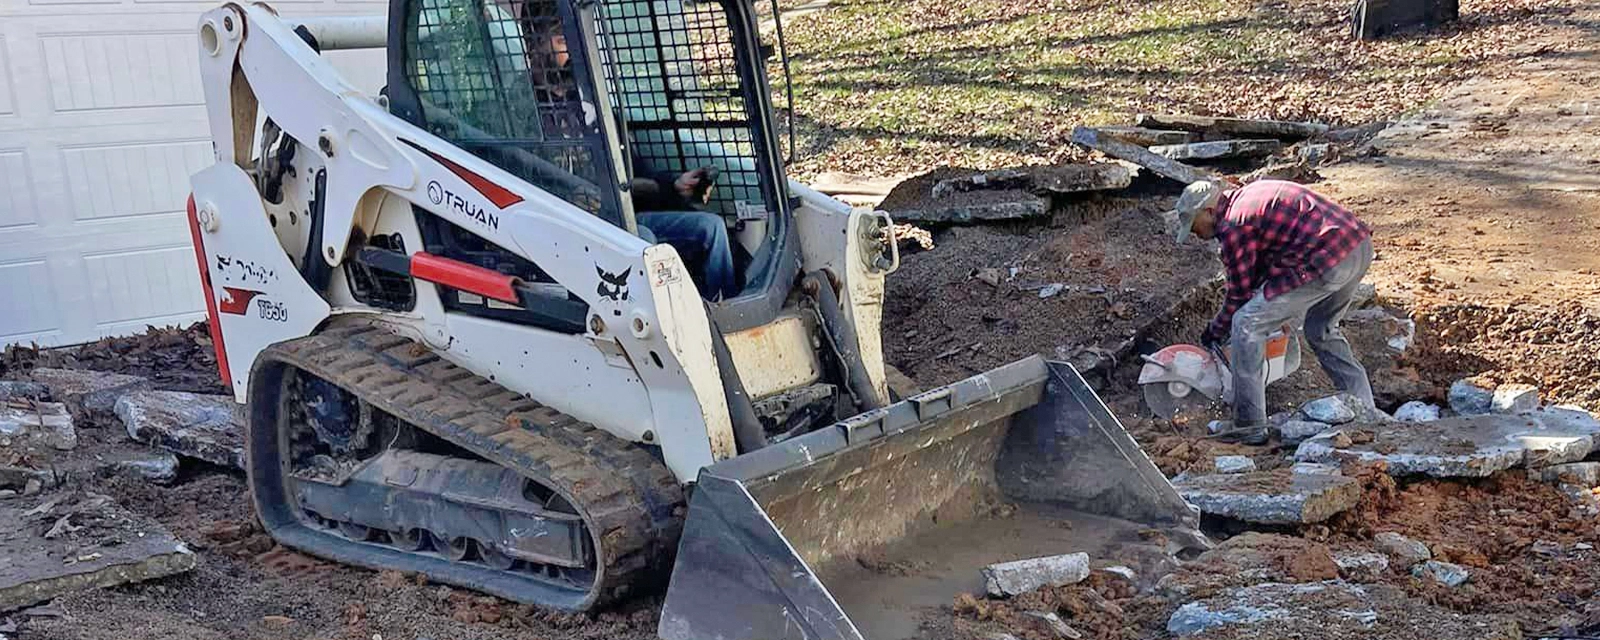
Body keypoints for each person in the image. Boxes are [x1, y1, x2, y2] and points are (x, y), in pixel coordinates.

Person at [533, 24, 739, 300]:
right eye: (561, 40)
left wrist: (674, 185)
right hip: (575, 228)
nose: (572, 50)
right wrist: (570, 197)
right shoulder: (523, 111)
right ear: (537, 44)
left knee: (710, 228)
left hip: (621, 215)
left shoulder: (591, 107)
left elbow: (631, 169)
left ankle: (723, 310)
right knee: (644, 242)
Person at [1171, 179, 1376, 445]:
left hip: (1326, 259)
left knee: (1246, 324)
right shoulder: (1250, 195)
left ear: (1209, 211)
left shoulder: (1234, 225)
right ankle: (1366, 411)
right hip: (1357, 246)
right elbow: (1266, 267)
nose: (1195, 235)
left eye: (1193, 226)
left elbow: (1239, 296)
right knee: (1321, 330)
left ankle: (1249, 426)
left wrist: (1214, 331)